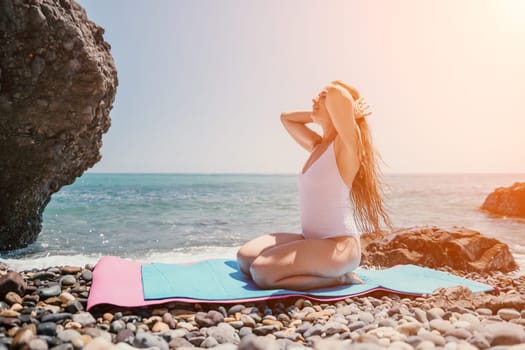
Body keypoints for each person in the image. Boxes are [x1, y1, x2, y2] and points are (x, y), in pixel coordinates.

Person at [237, 80, 391, 290]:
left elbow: (338, 93)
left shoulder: (346, 147)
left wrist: (348, 113)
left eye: (322, 96)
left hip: (339, 246)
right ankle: (316, 268)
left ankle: (340, 278)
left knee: (262, 272)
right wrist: (319, 115)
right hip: (310, 239)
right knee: (245, 258)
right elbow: (287, 118)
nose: (315, 99)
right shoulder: (318, 146)